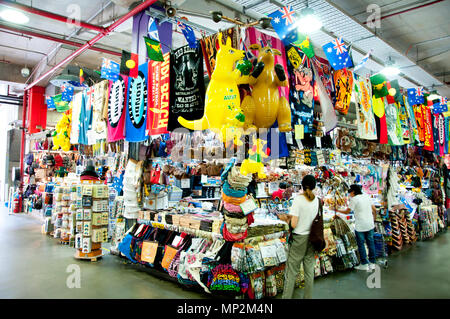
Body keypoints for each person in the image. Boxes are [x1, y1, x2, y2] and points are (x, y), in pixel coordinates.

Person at [277, 175, 319, 299]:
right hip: (311, 238)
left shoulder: (298, 200)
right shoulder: (316, 200)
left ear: (301, 185)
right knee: (309, 271)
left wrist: (285, 219)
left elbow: (294, 224)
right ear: (314, 186)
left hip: (299, 239)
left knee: (291, 272)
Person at [336, 184, 377, 271]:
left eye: (350, 192)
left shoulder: (354, 199)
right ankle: (372, 263)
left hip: (361, 225)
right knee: (370, 243)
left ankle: (364, 264)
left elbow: (347, 211)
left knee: (361, 244)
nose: (349, 194)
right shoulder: (366, 196)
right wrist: (374, 219)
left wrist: (336, 210)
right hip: (370, 224)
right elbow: (374, 209)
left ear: (353, 192)